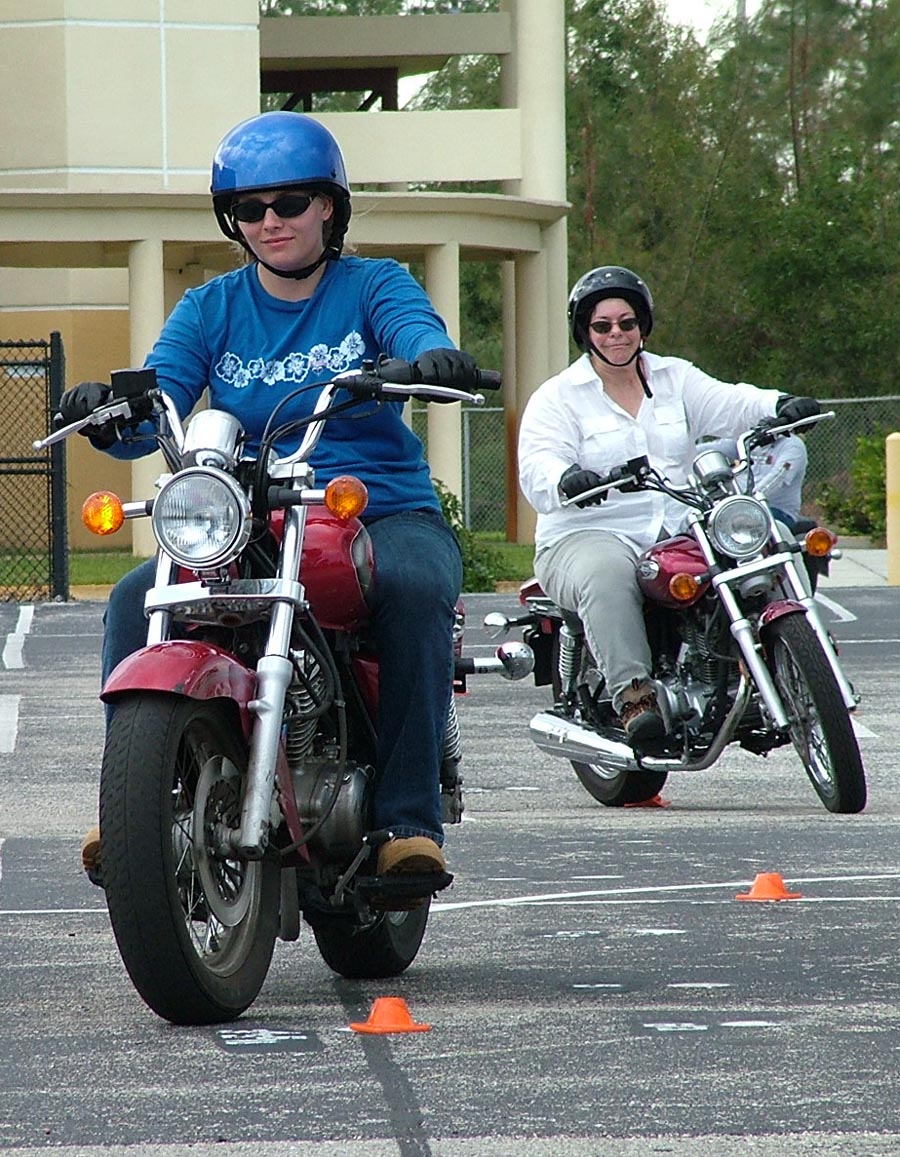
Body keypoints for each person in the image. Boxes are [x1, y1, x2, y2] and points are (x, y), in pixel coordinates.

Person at [59, 110, 480, 894]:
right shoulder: (210, 307)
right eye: (249, 209)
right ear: (233, 221)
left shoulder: (374, 284)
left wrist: (430, 358)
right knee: (132, 601)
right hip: (254, 512)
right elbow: (159, 398)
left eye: (289, 202)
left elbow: (414, 328)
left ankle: (407, 820)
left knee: (416, 588)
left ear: (328, 207)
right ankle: (138, 810)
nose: (270, 221)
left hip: (375, 507)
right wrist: (111, 411)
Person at [517, 265, 819, 747]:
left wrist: (779, 405)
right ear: (584, 332)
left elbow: (730, 403)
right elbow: (538, 463)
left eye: (627, 322)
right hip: (590, 531)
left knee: (765, 542)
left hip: (679, 523)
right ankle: (634, 696)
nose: (616, 334)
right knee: (606, 575)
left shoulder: (674, 377)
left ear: (643, 325)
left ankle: (795, 659)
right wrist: (567, 477)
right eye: (603, 325)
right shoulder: (558, 397)